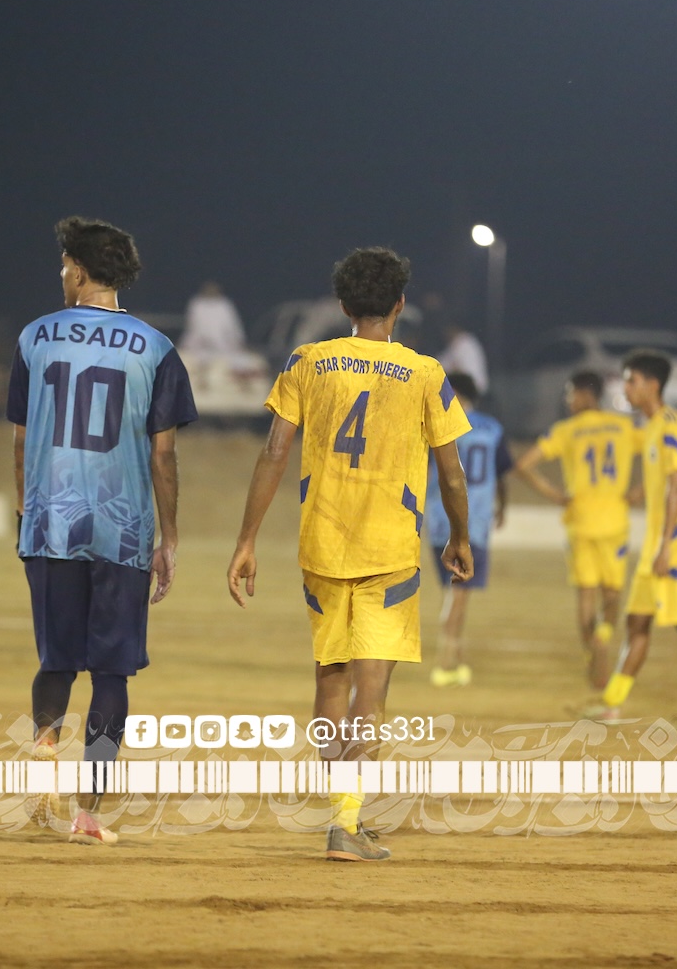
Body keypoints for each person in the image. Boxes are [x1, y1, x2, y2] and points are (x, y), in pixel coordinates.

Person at [227, 247, 473, 862]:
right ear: (400, 305)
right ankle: (347, 823)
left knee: (330, 680)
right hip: (389, 548)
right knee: (373, 688)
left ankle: (340, 813)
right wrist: (460, 537)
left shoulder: (308, 361)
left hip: (323, 543)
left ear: (342, 305)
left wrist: (247, 539)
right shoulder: (425, 373)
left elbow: (274, 452)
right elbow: (451, 472)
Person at [7, 217, 197, 846]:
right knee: (111, 674)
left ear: (81, 271)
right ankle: (87, 812)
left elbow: (21, 438)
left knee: (55, 661)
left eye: (65, 266)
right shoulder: (157, 348)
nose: (62, 275)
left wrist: (25, 509)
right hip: (122, 531)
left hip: (51, 524)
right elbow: (163, 455)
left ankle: (42, 766)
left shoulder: (35, 337)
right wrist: (169, 538)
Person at [583, 350, 677, 733]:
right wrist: (641, 492)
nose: (626, 387)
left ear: (653, 385)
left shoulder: (672, 426)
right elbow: (665, 477)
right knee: (637, 622)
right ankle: (612, 704)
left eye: (632, 380)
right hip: (656, 546)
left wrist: (667, 546)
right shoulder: (652, 426)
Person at [514, 371, 637, 690]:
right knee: (612, 593)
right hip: (614, 520)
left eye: (571, 394)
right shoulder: (623, 427)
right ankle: (604, 635)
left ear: (585, 394)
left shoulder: (566, 430)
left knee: (586, 595)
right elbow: (658, 456)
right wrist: (638, 493)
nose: (568, 400)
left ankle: (590, 660)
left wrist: (556, 496)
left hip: (580, 520)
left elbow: (523, 465)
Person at [424, 372, 512, 688]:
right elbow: (501, 473)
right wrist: (502, 507)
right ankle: (445, 662)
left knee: (453, 591)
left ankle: (455, 657)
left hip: (440, 517)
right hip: (474, 522)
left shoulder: (439, 424)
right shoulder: (492, 428)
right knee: (459, 594)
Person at [439, 318, 490, 397]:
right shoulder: (468, 341)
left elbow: (443, 366)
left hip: (473, 392)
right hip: (471, 390)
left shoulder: (462, 343)